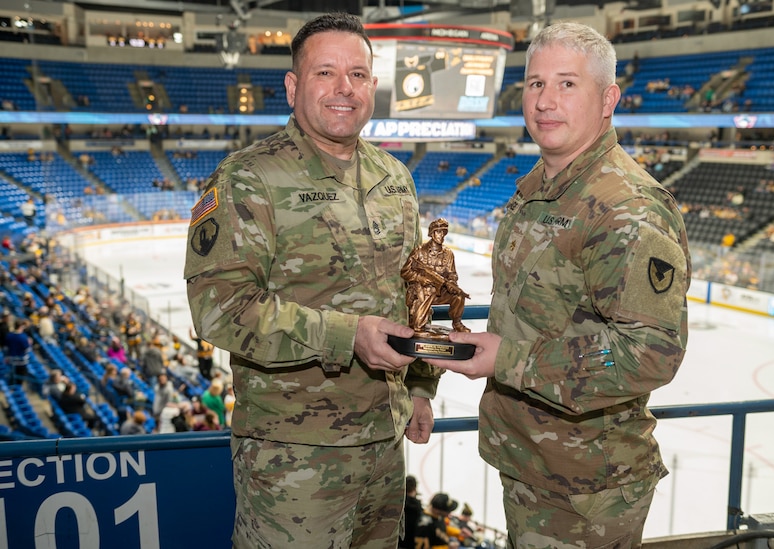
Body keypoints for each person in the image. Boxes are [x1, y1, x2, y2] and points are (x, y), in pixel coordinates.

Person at [183, 12, 441, 549]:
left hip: (385, 447)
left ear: (373, 85)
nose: (344, 89)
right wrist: (346, 335)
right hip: (293, 458)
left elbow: (415, 291)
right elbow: (219, 309)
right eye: (325, 73)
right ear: (294, 87)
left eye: (359, 74)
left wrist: (420, 384)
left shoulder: (396, 178)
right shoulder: (246, 179)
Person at [428, 22, 690, 549]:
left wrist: (509, 360)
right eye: (535, 84)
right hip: (530, 463)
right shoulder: (537, 193)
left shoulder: (627, 209)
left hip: (588, 486)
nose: (545, 101)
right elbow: (526, 316)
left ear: (608, 98)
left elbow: (650, 354)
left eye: (567, 84)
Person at [400, 218, 470, 334]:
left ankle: (457, 323)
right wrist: (421, 279)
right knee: (417, 327)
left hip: (441, 290)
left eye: (444, 232)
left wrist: (451, 283)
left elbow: (452, 274)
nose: (441, 235)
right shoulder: (419, 251)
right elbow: (405, 272)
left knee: (458, 296)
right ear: (432, 233)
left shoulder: (448, 254)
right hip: (422, 292)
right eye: (438, 231)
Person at [400, 475, 423, 549]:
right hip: (413, 541)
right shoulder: (417, 505)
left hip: (401, 541)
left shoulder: (399, 503)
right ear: (415, 488)